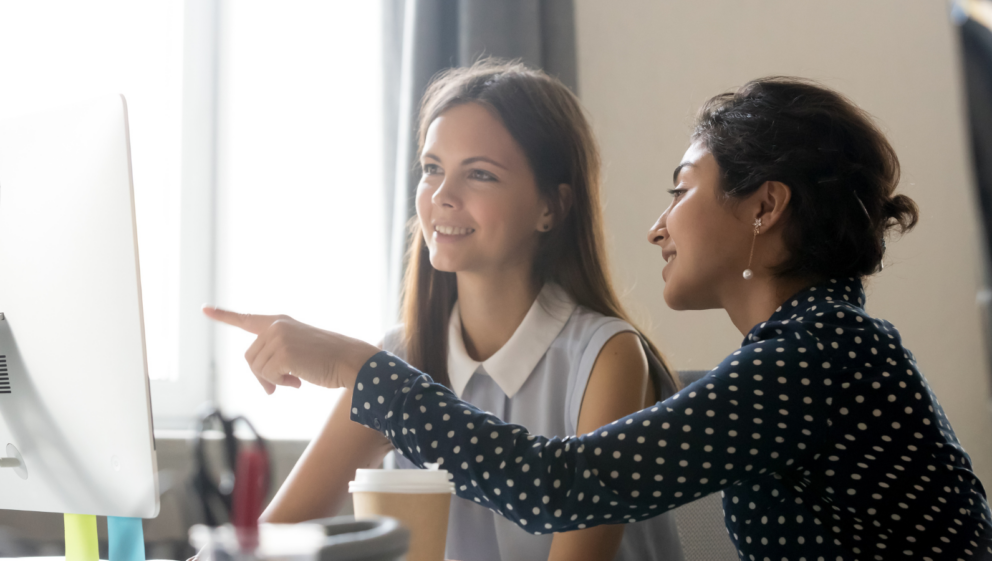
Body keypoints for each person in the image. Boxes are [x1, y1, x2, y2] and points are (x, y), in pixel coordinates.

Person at [208, 76, 992, 559]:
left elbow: (565, 484)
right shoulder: (814, 349)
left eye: (682, 189)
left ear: (764, 205)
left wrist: (358, 371)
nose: (659, 225)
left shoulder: (818, 357)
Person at [205, 60, 684, 561]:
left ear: (551, 206)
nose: (441, 197)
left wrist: (351, 362)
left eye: (479, 174)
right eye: (432, 169)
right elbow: (265, 543)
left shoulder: (607, 358)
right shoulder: (402, 357)